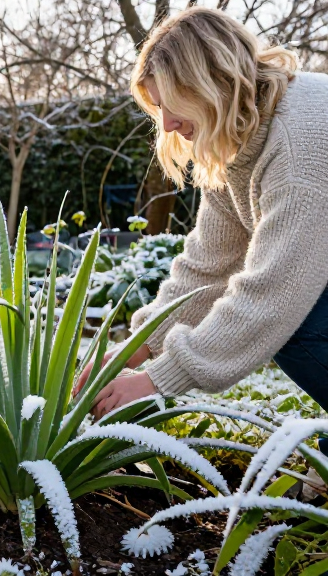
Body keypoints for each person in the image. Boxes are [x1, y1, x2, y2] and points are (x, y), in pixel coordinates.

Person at [79, 7, 328, 431]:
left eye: (174, 103)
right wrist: (137, 346)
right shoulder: (239, 136)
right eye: (159, 107)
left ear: (212, 84)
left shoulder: (298, 143)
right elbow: (206, 268)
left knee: (300, 323)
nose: (168, 123)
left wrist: (158, 379)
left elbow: (275, 295)